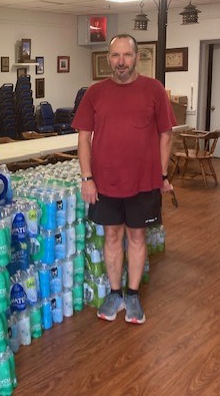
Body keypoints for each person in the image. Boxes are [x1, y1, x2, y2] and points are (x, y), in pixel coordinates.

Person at [72, 34, 176, 325]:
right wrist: (86, 178)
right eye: (115, 56)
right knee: (112, 236)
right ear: (108, 59)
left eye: (126, 55)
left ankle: (132, 294)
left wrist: (163, 175)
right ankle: (115, 292)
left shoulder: (154, 90)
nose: (121, 62)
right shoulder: (95, 93)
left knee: (137, 236)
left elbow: (166, 134)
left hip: (144, 182)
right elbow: (83, 137)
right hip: (104, 182)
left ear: (137, 56)